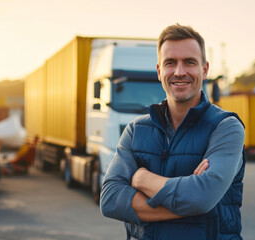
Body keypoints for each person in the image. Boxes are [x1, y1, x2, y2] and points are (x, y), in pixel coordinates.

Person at [100, 24, 245, 240]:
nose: (179, 72)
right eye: (170, 63)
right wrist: (190, 203)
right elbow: (110, 200)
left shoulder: (226, 127)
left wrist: (142, 179)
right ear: (159, 71)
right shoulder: (135, 130)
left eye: (189, 62)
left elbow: (202, 198)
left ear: (204, 70)